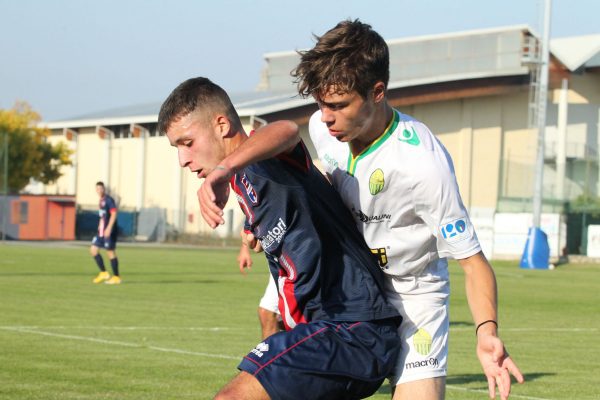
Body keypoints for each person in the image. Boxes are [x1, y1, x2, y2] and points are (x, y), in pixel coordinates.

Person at [199, 19, 525, 400]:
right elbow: (321, 190)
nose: (325, 117)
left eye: (338, 105)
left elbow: (474, 262)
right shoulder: (326, 131)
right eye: (320, 104)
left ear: (377, 91)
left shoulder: (422, 164)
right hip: (346, 297)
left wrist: (487, 332)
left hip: (414, 299)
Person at [158, 77, 402, 400]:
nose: (183, 160)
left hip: (351, 329)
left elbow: (287, 130)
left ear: (221, 124)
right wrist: (251, 229)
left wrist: (225, 168)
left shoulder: (259, 158)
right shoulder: (246, 181)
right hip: (332, 333)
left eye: (187, 142)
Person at [237, 229, 282, 339]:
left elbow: (256, 244)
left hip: (298, 257)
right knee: (270, 314)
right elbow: (250, 230)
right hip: (279, 262)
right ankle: (272, 356)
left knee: (270, 313)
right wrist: (245, 247)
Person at [90, 181, 121, 285]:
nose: (99, 190)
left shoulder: (109, 200)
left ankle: (116, 277)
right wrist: (100, 225)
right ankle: (104, 273)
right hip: (101, 231)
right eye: (97, 189)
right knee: (93, 250)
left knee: (110, 252)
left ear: (104, 189)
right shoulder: (101, 201)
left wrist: (109, 228)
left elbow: (113, 213)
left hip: (109, 231)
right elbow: (102, 215)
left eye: (101, 188)